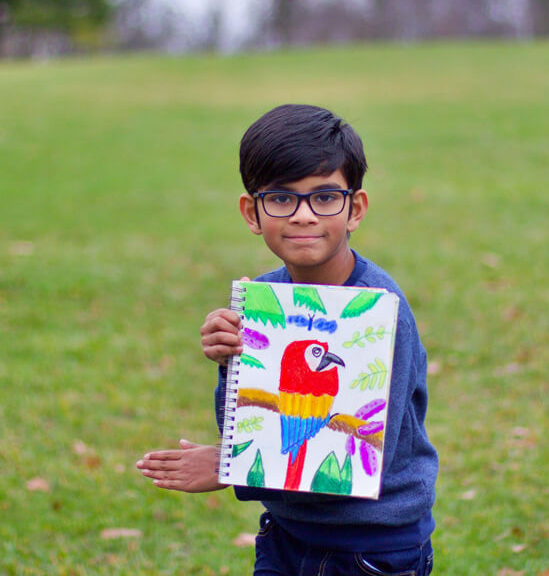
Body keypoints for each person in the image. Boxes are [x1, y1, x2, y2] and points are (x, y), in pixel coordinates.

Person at [137, 104, 437, 575]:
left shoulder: (378, 312)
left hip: (372, 549)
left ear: (354, 208)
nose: (302, 216)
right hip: (287, 536)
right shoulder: (265, 301)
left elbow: (355, 463)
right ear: (252, 213)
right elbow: (246, 422)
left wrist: (227, 469)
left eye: (324, 198)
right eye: (281, 198)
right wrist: (229, 359)